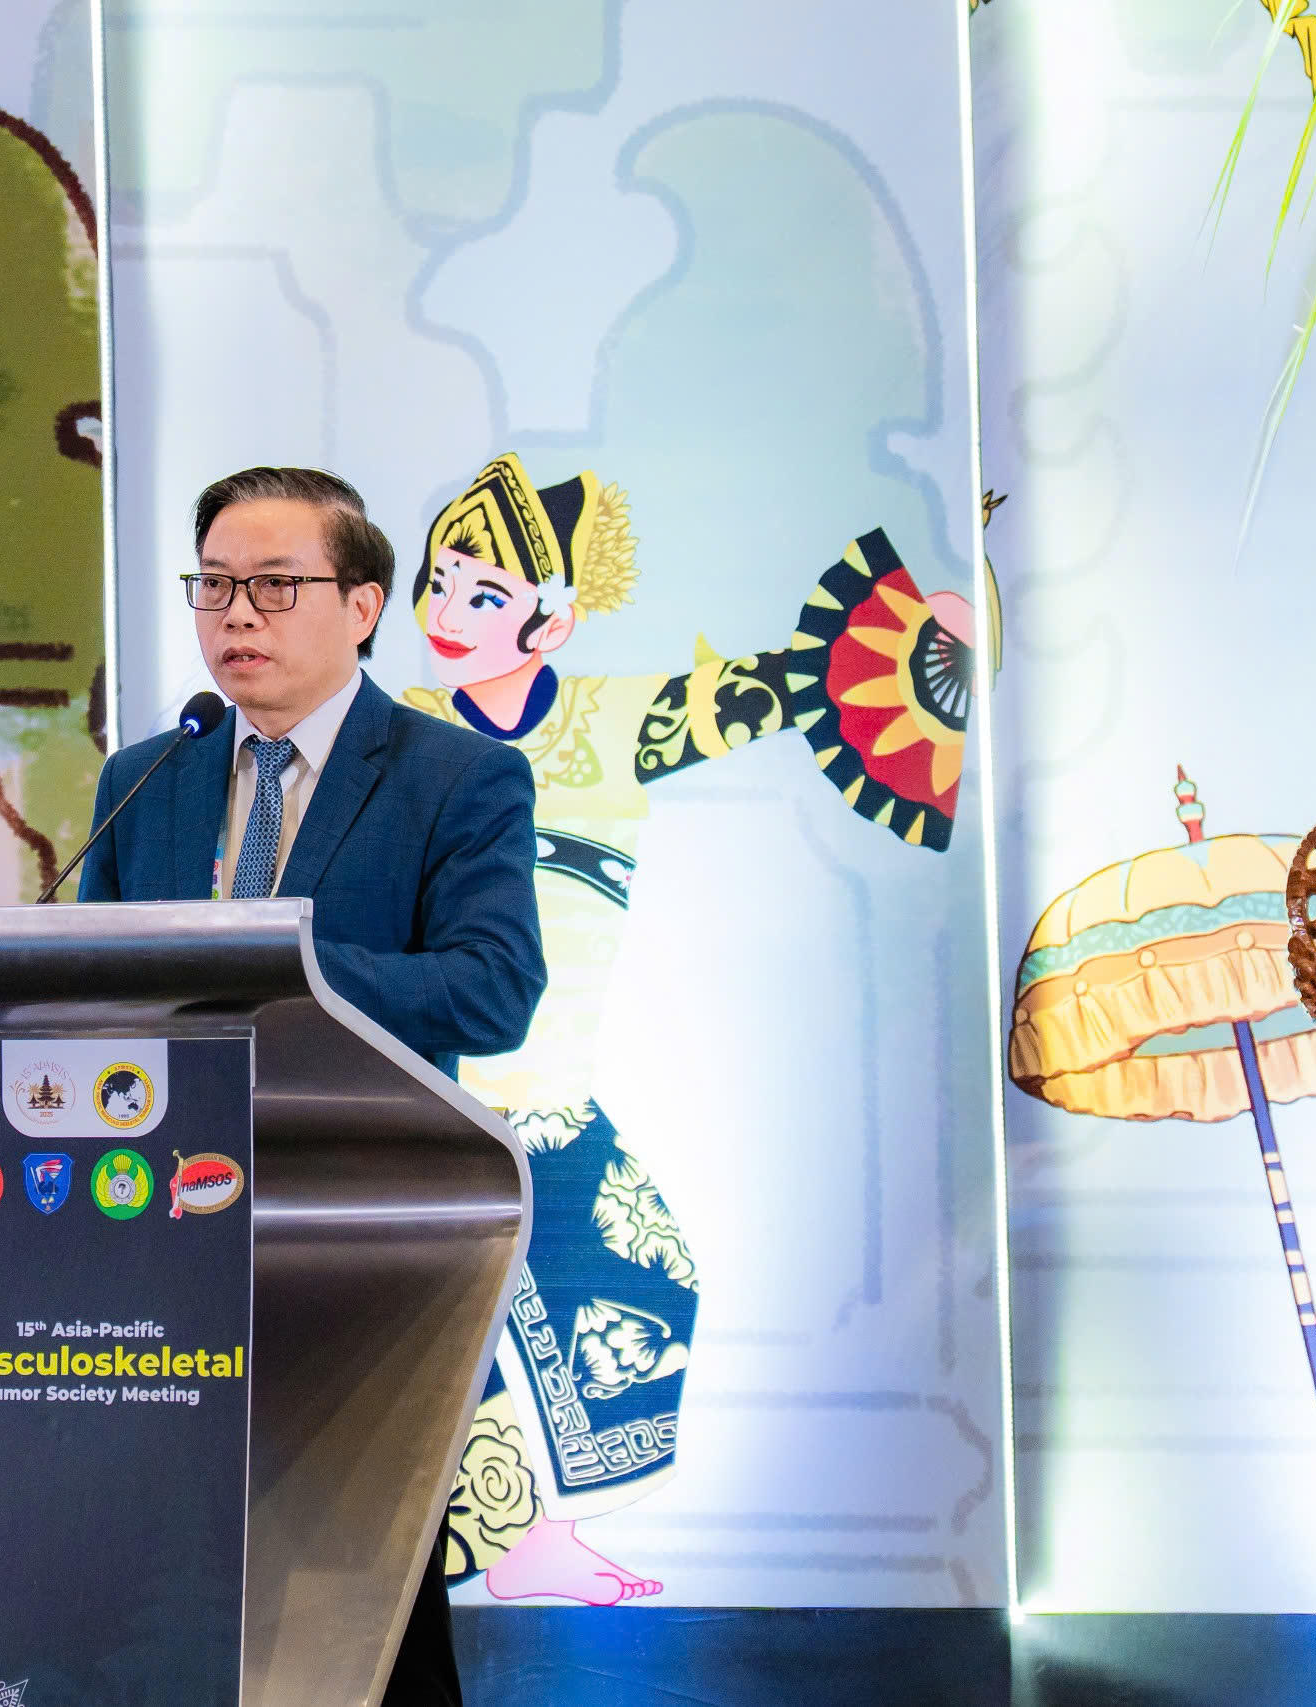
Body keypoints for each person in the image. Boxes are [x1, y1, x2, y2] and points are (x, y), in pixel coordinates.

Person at [404, 451, 973, 1606]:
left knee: (653, 1277)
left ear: (552, 624)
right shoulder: (397, 736)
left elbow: (774, 688)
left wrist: (915, 650)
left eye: (483, 593)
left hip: (550, 1096)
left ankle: (525, 1541)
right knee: (452, 1318)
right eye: (439, 580)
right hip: (431, 1085)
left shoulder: (613, 720)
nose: (446, 613)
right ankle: (483, 1550)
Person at [78, 465, 546, 1707]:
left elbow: (493, 990)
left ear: (363, 605)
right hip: (162, 1227)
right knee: (167, 1593)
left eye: (275, 585)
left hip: (365, 1233)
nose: (237, 613)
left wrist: (274, 966)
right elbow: (92, 988)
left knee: (364, 1602)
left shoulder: (457, 777)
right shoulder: (146, 777)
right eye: (214, 585)